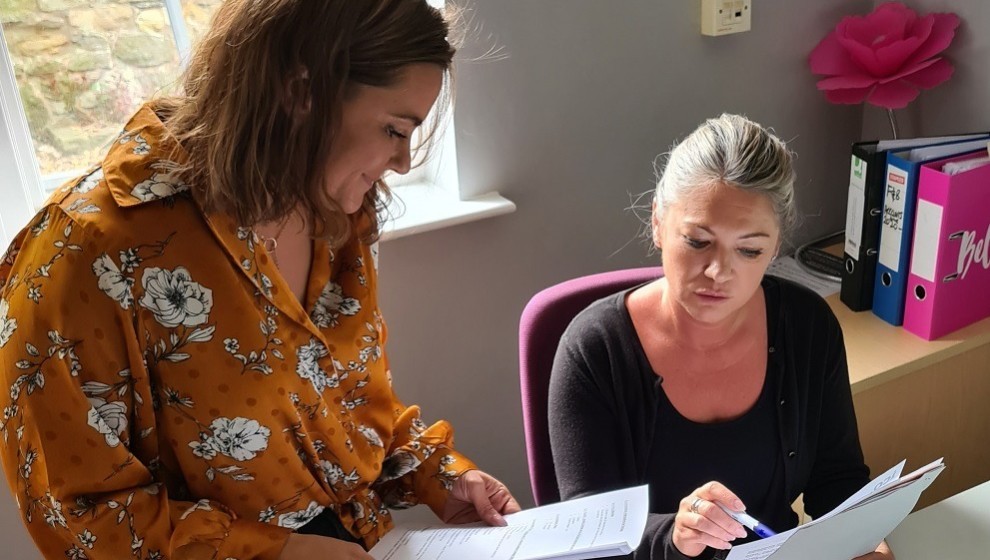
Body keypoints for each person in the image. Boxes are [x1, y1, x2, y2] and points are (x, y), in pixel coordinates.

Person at [0, 1, 518, 559]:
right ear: (301, 93)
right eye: (394, 128)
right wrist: (273, 553)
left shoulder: (337, 214)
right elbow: (74, 512)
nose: (403, 162)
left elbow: (337, 414)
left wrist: (438, 474)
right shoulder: (85, 251)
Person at [547, 114, 893, 560]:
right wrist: (674, 536)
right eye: (697, 242)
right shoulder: (594, 352)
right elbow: (587, 530)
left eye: (749, 250)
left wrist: (867, 542)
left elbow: (837, 478)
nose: (718, 272)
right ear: (657, 222)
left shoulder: (807, 326)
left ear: (774, 245)